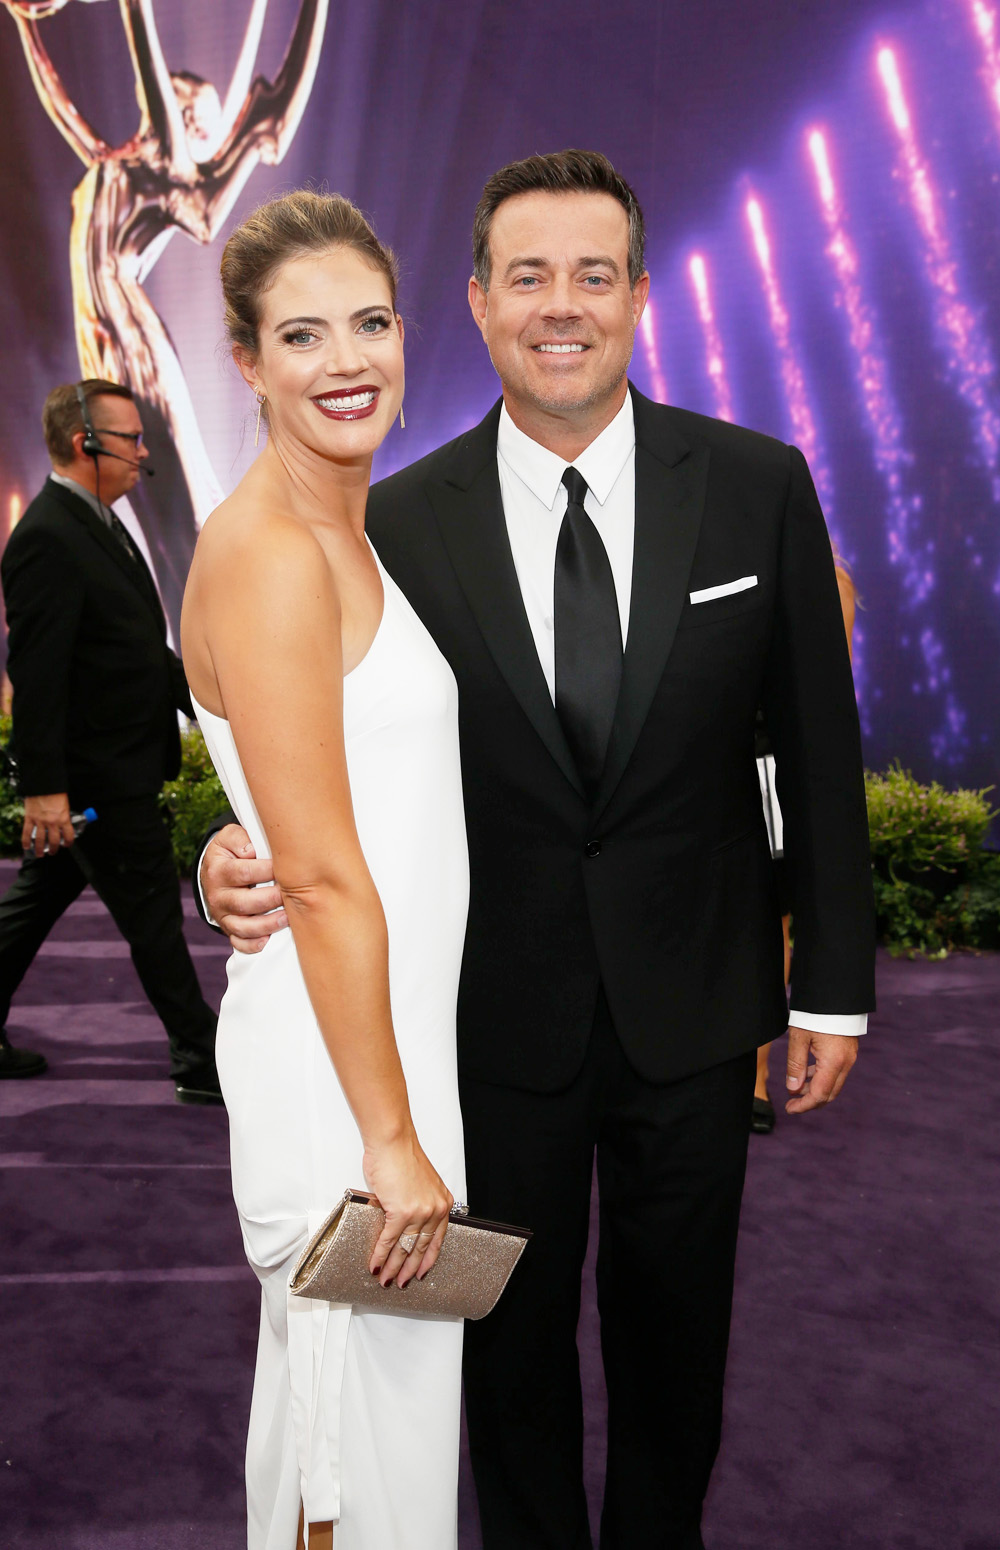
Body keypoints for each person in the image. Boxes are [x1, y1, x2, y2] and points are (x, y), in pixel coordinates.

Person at [200, 152, 876, 1549]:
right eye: (526, 275)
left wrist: (834, 986)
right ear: (478, 301)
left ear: (636, 294)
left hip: (698, 1009)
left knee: (677, 1350)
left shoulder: (757, 485)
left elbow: (814, 749)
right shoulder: (390, 517)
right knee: (494, 1365)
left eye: (591, 274)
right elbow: (304, 737)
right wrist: (227, 847)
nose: (559, 304)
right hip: (477, 1028)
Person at [180, 191, 467, 1550]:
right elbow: (330, 877)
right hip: (341, 1073)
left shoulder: (350, 529)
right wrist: (392, 1137)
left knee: (380, 1429)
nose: (346, 358)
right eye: (303, 333)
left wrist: (222, 848)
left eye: (369, 321)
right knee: (342, 1451)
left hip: (387, 1042)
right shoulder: (274, 552)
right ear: (246, 361)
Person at [0, 379, 220, 1105]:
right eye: (129, 438)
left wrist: (212, 704)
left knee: (37, 901)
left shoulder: (95, 522)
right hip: (98, 776)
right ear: (82, 443)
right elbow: (35, 675)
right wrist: (45, 789)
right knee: (154, 913)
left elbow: (132, 646)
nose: (143, 452)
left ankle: (197, 1051)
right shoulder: (48, 536)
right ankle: (200, 1057)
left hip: (112, 766)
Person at [752, 559, 859, 1133]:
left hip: (767, 771)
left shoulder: (829, 582)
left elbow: (823, 699)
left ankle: (756, 1074)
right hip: (686, 773)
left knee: (772, 920)